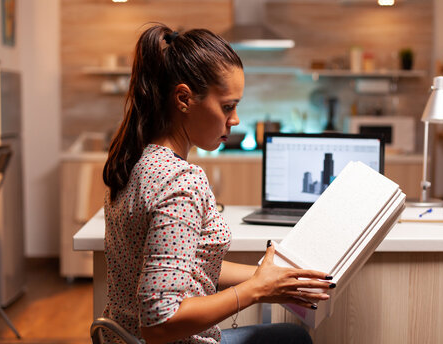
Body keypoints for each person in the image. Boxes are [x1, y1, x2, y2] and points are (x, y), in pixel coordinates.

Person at [102, 23, 334, 344]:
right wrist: (255, 291)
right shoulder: (179, 180)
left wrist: (270, 280)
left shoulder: (133, 161)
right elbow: (159, 324)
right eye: (228, 106)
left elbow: (185, 264)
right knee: (295, 339)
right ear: (184, 98)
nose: (235, 119)